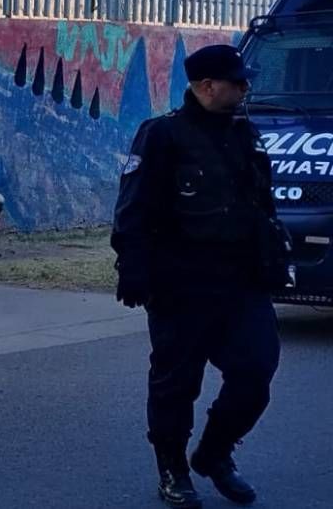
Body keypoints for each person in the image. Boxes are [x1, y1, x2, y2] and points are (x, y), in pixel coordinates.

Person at [111, 44, 289, 509]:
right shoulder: (162, 136)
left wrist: (275, 256)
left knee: (256, 372)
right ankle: (172, 470)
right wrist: (132, 267)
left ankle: (214, 453)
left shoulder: (245, 135)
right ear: (208, 86)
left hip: (241, 283)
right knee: (176, 383)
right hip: (181, 284)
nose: (246, 87)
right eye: (238, 81)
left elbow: (262, 206)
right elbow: (133, 209)